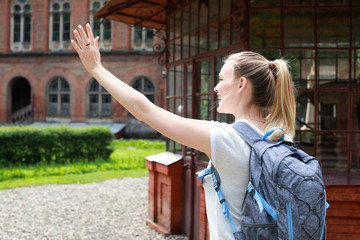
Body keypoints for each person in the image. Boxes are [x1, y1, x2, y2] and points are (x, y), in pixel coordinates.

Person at [71, 23, 296, 240]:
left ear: (241, 85)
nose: (215, 88)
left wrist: (96, 68)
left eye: (221, 79)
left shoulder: (227, 139)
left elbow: (143, 109)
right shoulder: (282, 137)